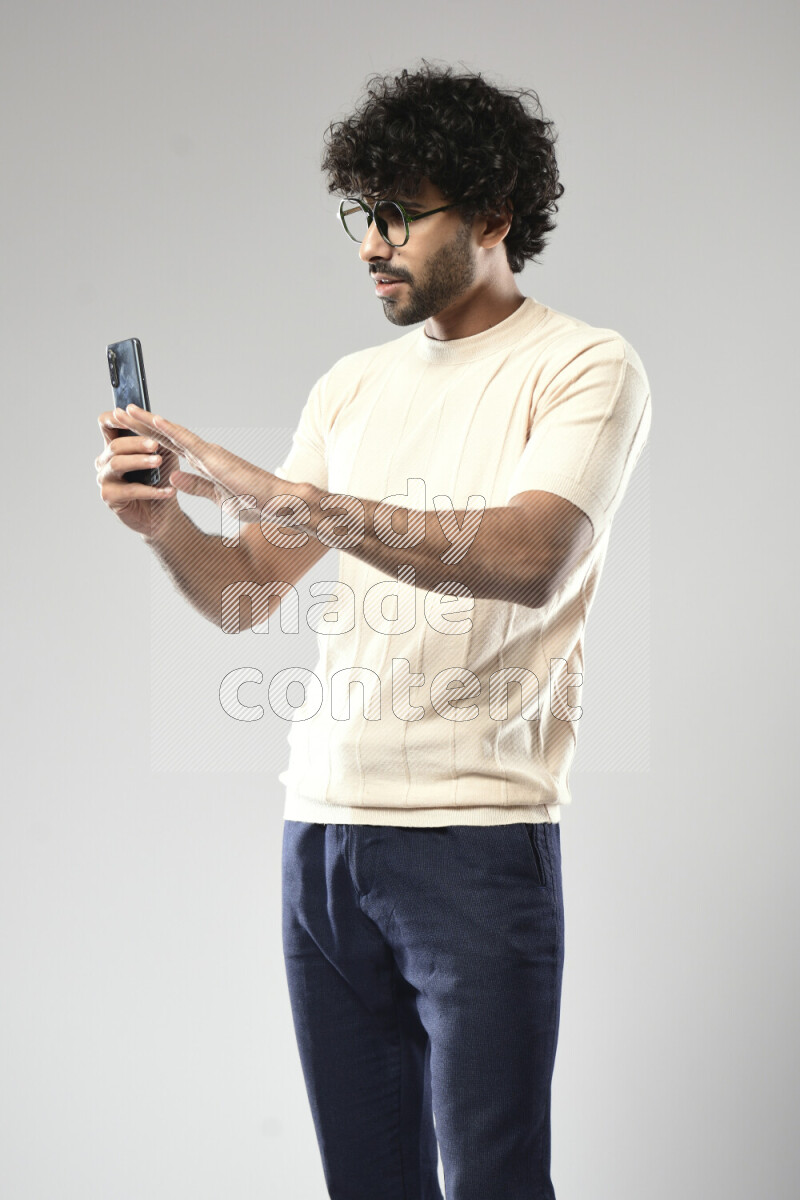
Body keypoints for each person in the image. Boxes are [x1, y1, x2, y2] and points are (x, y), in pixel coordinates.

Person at [96, 61, 651, 1200]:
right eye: (362, 213)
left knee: (493, 1184)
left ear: (493, 216)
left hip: (475, 841)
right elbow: (248, 592)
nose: (369, 243)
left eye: (400, 213)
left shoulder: (581, 365)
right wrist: (168, 525)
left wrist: (270, 491)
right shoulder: (350, 385)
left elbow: (526, 557)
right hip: (322, 837)